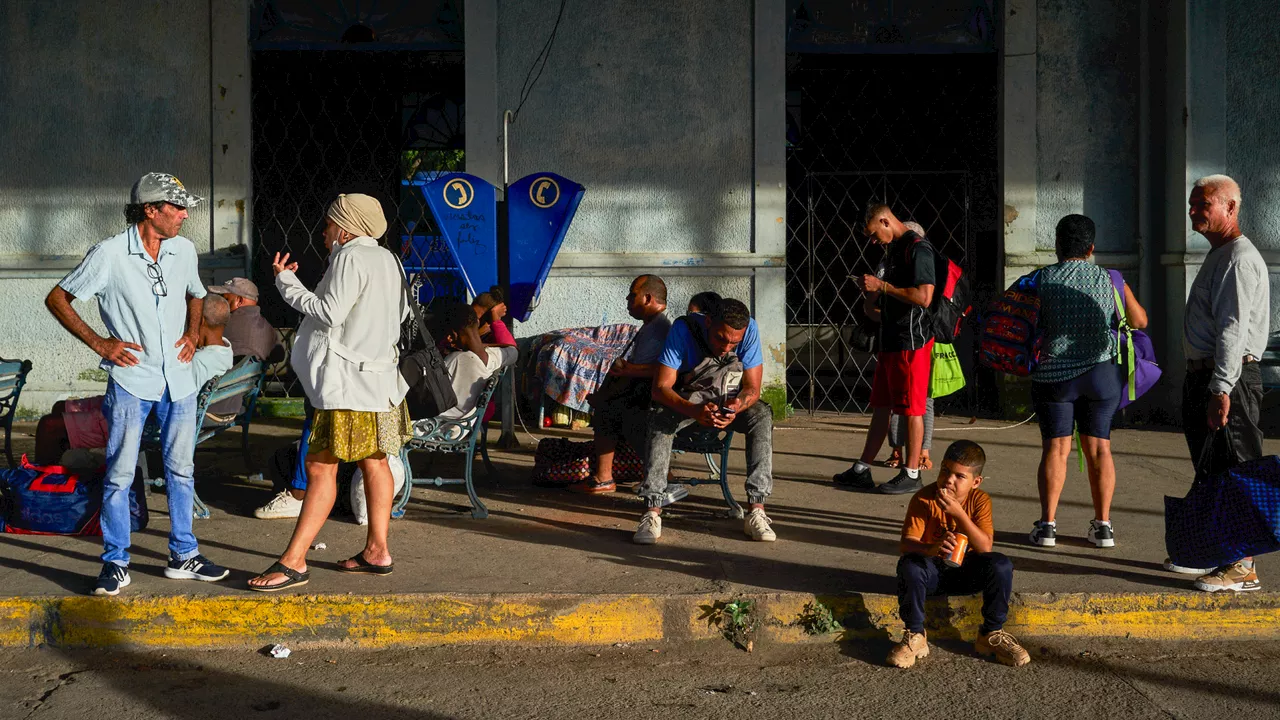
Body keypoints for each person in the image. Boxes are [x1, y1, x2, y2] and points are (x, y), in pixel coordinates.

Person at [45, 172, 228, 596]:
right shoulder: (110, 254)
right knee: (120, 473)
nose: (184, 215)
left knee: (182, 470)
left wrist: (192, 332)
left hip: (178, 380)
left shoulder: (183, 249)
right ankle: (115, 562)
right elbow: (58, 298)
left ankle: (184, 554)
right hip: (132, 380)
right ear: (151, 210)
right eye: (176, 207)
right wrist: (100, 343)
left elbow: (196, 293)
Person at [249, 193, 412, 592]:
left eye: (328, 224)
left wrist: (285, 283)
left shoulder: (350, 258)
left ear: (344, 227)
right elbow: (402, 314)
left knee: (321, 469)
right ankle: (377, 551)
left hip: (347, 389)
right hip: (379, 384)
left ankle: (293, 562)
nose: (324, 233)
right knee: (375, 463)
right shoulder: (389, 260)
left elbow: (329, 312)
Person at [1170, 175, 1271, 592]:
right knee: (1212, 470)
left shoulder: (1237, 259)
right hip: (1211, 376)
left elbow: (1233, 329)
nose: (1195, 211)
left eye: (1204, 204)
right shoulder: (1221, 254)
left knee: (1236, 469)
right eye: (1193, 203)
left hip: (1227, 379)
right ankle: (1219, 550)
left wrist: (1221, 389)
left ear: (1230, 208)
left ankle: (1242, 565)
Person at [1027, 215, 1148, 550]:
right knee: (1100, 448)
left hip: (1054, 376)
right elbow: (1139, 320)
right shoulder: (1110, 279)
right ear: (1091, 248)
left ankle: (1048, 526)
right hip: (1101, 376)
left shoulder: (1041, 278)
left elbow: (1025, 323)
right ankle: (1103, 527)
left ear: (1057, 245)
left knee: (1056, 448)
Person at [633, 298, 777, 544]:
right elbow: (660, 388)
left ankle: (757, 510)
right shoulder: (683, 328)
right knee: (659, 419)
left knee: (762, 414)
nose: (726, 347)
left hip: (727, 404)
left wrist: (737, 405)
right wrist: (694, 410)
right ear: (709, 322)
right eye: (721, 338)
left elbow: (753, 388)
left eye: (734, 343)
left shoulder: (750, 328)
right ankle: (652, 511)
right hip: (688, 403)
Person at [889, 440, 1030, 669]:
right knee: (909, 564)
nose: (949, 480)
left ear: (976, 482)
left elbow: (985, 547)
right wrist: (931, 548)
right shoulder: (924, 498)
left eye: (959, 476)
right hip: (932, 573)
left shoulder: (980, 500)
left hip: (966, 574)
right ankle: (915, 635)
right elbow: (907, 544)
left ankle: (990, 634)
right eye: (945, 471)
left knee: (1001, 564)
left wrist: (959, 514)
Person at [834, 204, 936, 495]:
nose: (873, 241)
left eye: (873, 233)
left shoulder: (918, 249)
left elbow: (924, 297)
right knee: (881, 406)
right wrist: (873, 296)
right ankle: (862, 469)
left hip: (912, 341)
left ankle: (912, 472)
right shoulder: (894, 250)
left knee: (912, 410)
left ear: (885, 220)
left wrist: (883, 285)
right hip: (890, 339)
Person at [571, 275, 672, 494]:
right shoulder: (652, 325)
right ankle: (660, 473)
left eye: (632, 294)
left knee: (609, 412)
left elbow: (637, 374)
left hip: (648, 395)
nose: (628, 299)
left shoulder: (656, 329)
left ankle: (603, 478)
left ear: (647, 298)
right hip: (645, 391)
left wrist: (604, 397)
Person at [438, 301, 518, 430]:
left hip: (440, 429)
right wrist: (495, 321)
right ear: (478, 323)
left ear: (451, 336)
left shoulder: (455, 360)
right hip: (463, 428)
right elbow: (513, 350)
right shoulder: (492, 359)